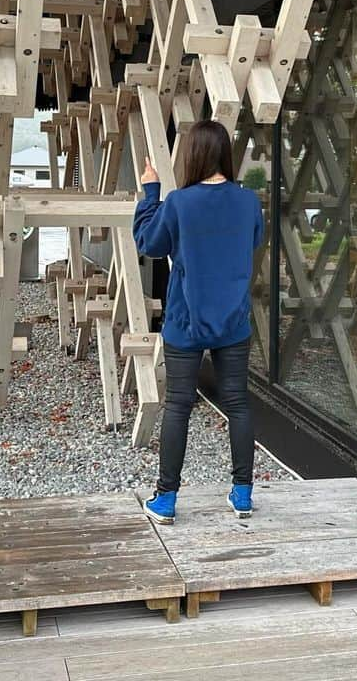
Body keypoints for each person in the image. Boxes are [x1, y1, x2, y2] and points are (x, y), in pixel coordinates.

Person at [133, 119, 264, 526]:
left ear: (192, 155)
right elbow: (254, 242)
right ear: (226, 154)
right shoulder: (249, 202)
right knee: (238, 403)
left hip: (186, 320)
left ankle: (166, 499)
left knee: (178, 405)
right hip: (233, 320)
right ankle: (242, 494)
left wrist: (150, 193)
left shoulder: (178, 202)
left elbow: (149, 244)